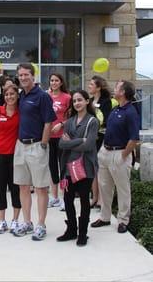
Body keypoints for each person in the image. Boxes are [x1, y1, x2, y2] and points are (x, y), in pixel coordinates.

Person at [12, 63, 56, 241]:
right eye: (20, 75)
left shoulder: (42, 96)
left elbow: (48, 122)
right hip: (21, 146)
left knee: (40, 188)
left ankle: (41, 224)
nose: (23, 78)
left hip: (37, 146)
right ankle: (27, 222)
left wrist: (44, 143)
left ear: (33, 76)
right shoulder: (21, 95)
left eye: (26, 75)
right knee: (23, 186)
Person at [91, 80, 140, 234]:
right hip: (105, 152)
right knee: (105, 188)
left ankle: (123, 220)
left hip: (119, 154)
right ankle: (105, 217)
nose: (114, 89)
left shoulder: (131, 112)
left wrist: (123, 155)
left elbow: (134, 139)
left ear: (123, 92)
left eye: (117, 87)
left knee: (123, 189)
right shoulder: (115, 109)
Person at [57, 90, 99, 246]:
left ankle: (83, 233)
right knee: (68, 199)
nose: (77, 103)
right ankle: (71, 230)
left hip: (85, 167)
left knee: (83, 200)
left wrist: (71, 142)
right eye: (74, 101)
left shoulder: (92, 121)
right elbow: (61, 144)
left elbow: (89, 146)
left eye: (80, 100)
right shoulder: (69, 122)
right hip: (68, 167)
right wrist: (79, 140)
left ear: (87, 101)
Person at [0, 84, 21, 234]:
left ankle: (15, 220)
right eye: (6, 94)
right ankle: (2, 221)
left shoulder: (22, 112)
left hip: (16, 156)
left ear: (17, 95)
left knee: (16, 189)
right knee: (0, 188)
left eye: (12, 94)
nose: (9, 97)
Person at [47, 73, 71, 209]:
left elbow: (72, 117)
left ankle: (64, 197)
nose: (54, 82)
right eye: (52, 80)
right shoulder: (46, 96)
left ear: (61, 83)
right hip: (49, 137)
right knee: (52, 167)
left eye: (56, 80)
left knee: (63, 168)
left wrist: (61, 124)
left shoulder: (67, 97)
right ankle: (54, 197)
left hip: (62, 137)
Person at [88, 75, 112, 208]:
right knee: (92, 169)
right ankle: (94, 197)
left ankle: (102, 200)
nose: (89, 86)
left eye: (92, 84)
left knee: (100, 170)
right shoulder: (89, 100)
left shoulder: (106, 101)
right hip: (91, 138)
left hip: (101, 138)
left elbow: (106, 120)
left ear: (98, 87)